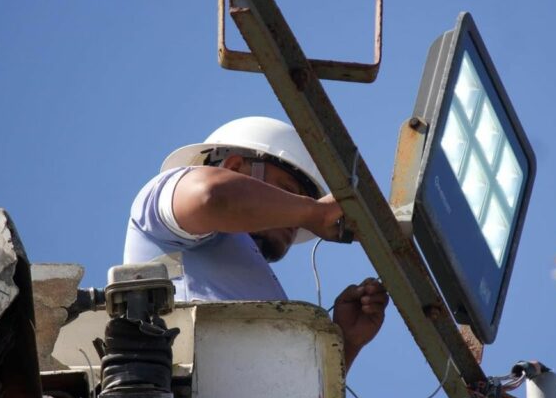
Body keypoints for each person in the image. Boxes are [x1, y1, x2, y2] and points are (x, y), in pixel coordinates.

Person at [123, 116, 388, 369]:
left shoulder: (259, 291)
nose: (297, 216)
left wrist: (346, 344)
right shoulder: (164, 201)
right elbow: (210, 196)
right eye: (288, 191)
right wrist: (316, 212)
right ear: (235, 167)